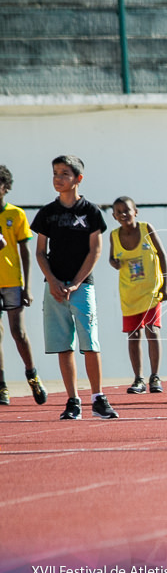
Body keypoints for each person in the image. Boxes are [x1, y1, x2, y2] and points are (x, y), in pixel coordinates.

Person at [32, 155, 117, 420]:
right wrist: (54, 282)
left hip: (82, 286)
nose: (58, 178)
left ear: (78, 179)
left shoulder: (91, 212)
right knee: (63, 345)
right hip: (55, 288)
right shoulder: (47, 213)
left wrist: (78, 282)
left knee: (90, 342)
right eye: (55, 173)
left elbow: (96, 250)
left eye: (65, 173)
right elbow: (40, 253)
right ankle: (73, 400)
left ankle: (97, 397)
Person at [109, 196, 167, 394]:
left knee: (152, 330)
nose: (123, 214)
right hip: (129, 294)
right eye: (118, 212)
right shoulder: (114, 235)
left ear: (136, 211)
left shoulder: (146, 229)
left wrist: (166, 284)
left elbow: (162, 254)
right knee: (133, 335)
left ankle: (155, 376)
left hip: (151, 291)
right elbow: (112, 257)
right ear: (114, 216)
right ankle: (138, 379)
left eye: (127, 210)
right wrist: (114, 263)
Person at [0, 165, 46, 406]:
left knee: (18, 333)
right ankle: (2, 385)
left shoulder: (16, 215)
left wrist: (27, 287)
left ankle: (32, 374)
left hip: (11, 281)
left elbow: (25, 252)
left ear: (5, 188)